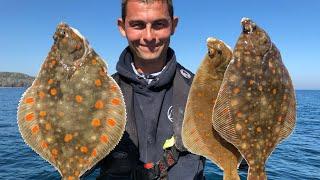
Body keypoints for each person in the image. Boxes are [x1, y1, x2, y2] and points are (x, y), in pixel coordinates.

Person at [97, 0, 205, 179]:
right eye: (137, 25)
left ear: (173, 25)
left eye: (159, 24)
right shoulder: (101, 94)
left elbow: (238, 155)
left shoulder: (200, 91)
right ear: (122, 27)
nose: (148, 36)